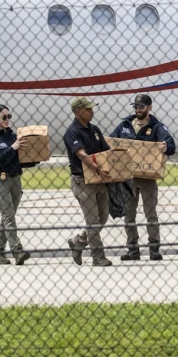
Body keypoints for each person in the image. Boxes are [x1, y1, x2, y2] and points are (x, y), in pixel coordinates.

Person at [110, 94, 176, 261]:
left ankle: (154, 248)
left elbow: (171, 144)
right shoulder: (125, 126)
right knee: (129, 215)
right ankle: (133, 250)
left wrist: (165, 146)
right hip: (128, 178)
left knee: (150, 214)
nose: (138, 110)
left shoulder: (157, 127)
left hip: (147, 178)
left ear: (149, 107)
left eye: (141, 106)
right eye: (136, 106)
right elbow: (110, 142)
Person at [63, 97, 113, 267]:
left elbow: (106, 151)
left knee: (103, 217)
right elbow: (82, 154)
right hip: (82, 181)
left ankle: (78, 241)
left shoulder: (94, 130)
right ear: (78, 112)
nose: (92, 112)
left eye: (92, 108)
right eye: (88, 109)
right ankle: (98, 256)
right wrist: (98, 169)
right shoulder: (72, 132)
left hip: (99, 180)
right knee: (92, 220)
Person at [0, 104, 30, 265]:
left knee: (7, 217)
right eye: (4, 117)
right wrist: (12, 148)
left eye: (9, 116)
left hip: (16, 178)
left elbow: (20, 159)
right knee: (8, 215)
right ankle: (17, 250)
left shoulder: (12, 136)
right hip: (0, 180)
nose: (7, 120)